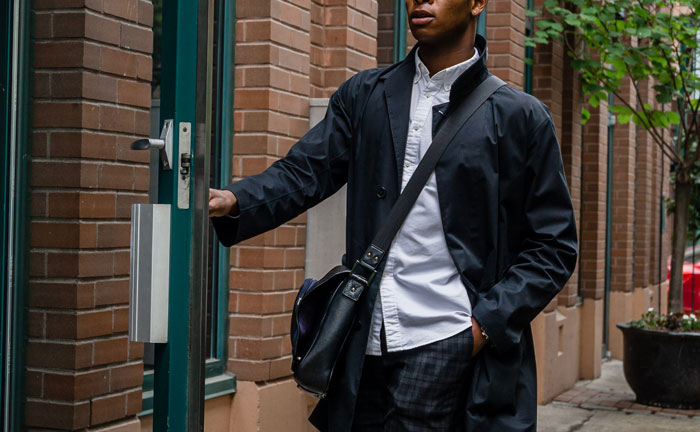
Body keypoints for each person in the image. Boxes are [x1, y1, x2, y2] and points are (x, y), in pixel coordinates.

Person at [209, 0, 578, 430]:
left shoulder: (519, 116)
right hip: (363, 338)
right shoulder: (365, 94)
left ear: (478, 3)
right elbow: (305, 171)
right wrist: (235, 199)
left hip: (447, 335)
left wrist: (483, 327)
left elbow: (553, 246)